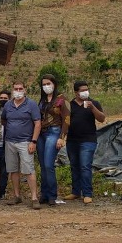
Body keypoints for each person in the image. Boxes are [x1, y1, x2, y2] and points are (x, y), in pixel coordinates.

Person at [1, 81, 42, 210]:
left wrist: (33, 141)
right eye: (15, 89)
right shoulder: (8, 105)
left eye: (20, 88)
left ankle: (34, 197)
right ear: (12, 90)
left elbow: (38, 123)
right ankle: (17, 196)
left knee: (29, 170)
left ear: (25, 90)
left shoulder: (31, 104)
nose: (18, 91)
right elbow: (4, 120)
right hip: (10, 142)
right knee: (13, 170)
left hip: (26, 142)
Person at [65, 81, 105, 204]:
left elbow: (102, 118)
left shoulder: (93, 103)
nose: (85, 92)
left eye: (86, 89)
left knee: (85, 166)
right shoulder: (70, 105)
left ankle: (87, 193)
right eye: (82, 90)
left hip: (88, 140)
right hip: (72, 140)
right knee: (74, 166)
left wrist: (93, 108)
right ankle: (76, 191)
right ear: (76, 92)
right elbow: (65, 121)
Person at [37, 74, 70, 206]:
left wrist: (62, 138)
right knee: (43, 166)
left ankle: (52, 194)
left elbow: (67, 119)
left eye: (48, 83)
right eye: (44, 84)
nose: (46, 86)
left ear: (54, 84)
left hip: (54, 132)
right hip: (41, 134)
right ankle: (44, 194)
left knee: (49, 164)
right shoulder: (42, 100)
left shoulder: (61, 99)